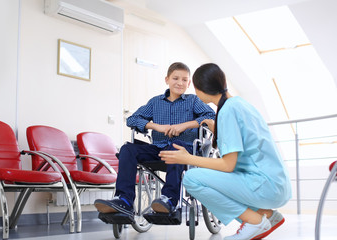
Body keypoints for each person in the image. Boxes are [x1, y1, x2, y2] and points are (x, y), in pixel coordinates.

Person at [159, 63, 292, 240]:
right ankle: (266, 214)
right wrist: (218, 131)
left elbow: (228, 165)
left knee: (192, 179)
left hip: (264, 185)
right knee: (213, 180)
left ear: (200, 89)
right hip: (276, 184)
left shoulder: (228, 110)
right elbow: (243, 147)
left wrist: (188, 158)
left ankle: (254, 221)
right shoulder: (239, 104)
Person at [94, 62, 215, 218]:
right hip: (158, 149)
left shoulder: (193, 101)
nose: (180, 83)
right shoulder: (155, 102)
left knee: (175, 147)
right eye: (175, 78)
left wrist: (184, 125)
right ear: (167, 79)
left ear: (189, 83)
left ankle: (169, 200)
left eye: (184, 80)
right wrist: (157, 127)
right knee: (127, 149)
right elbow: (132, 119)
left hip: (184, 150)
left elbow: (211, 116)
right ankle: (124, 200)